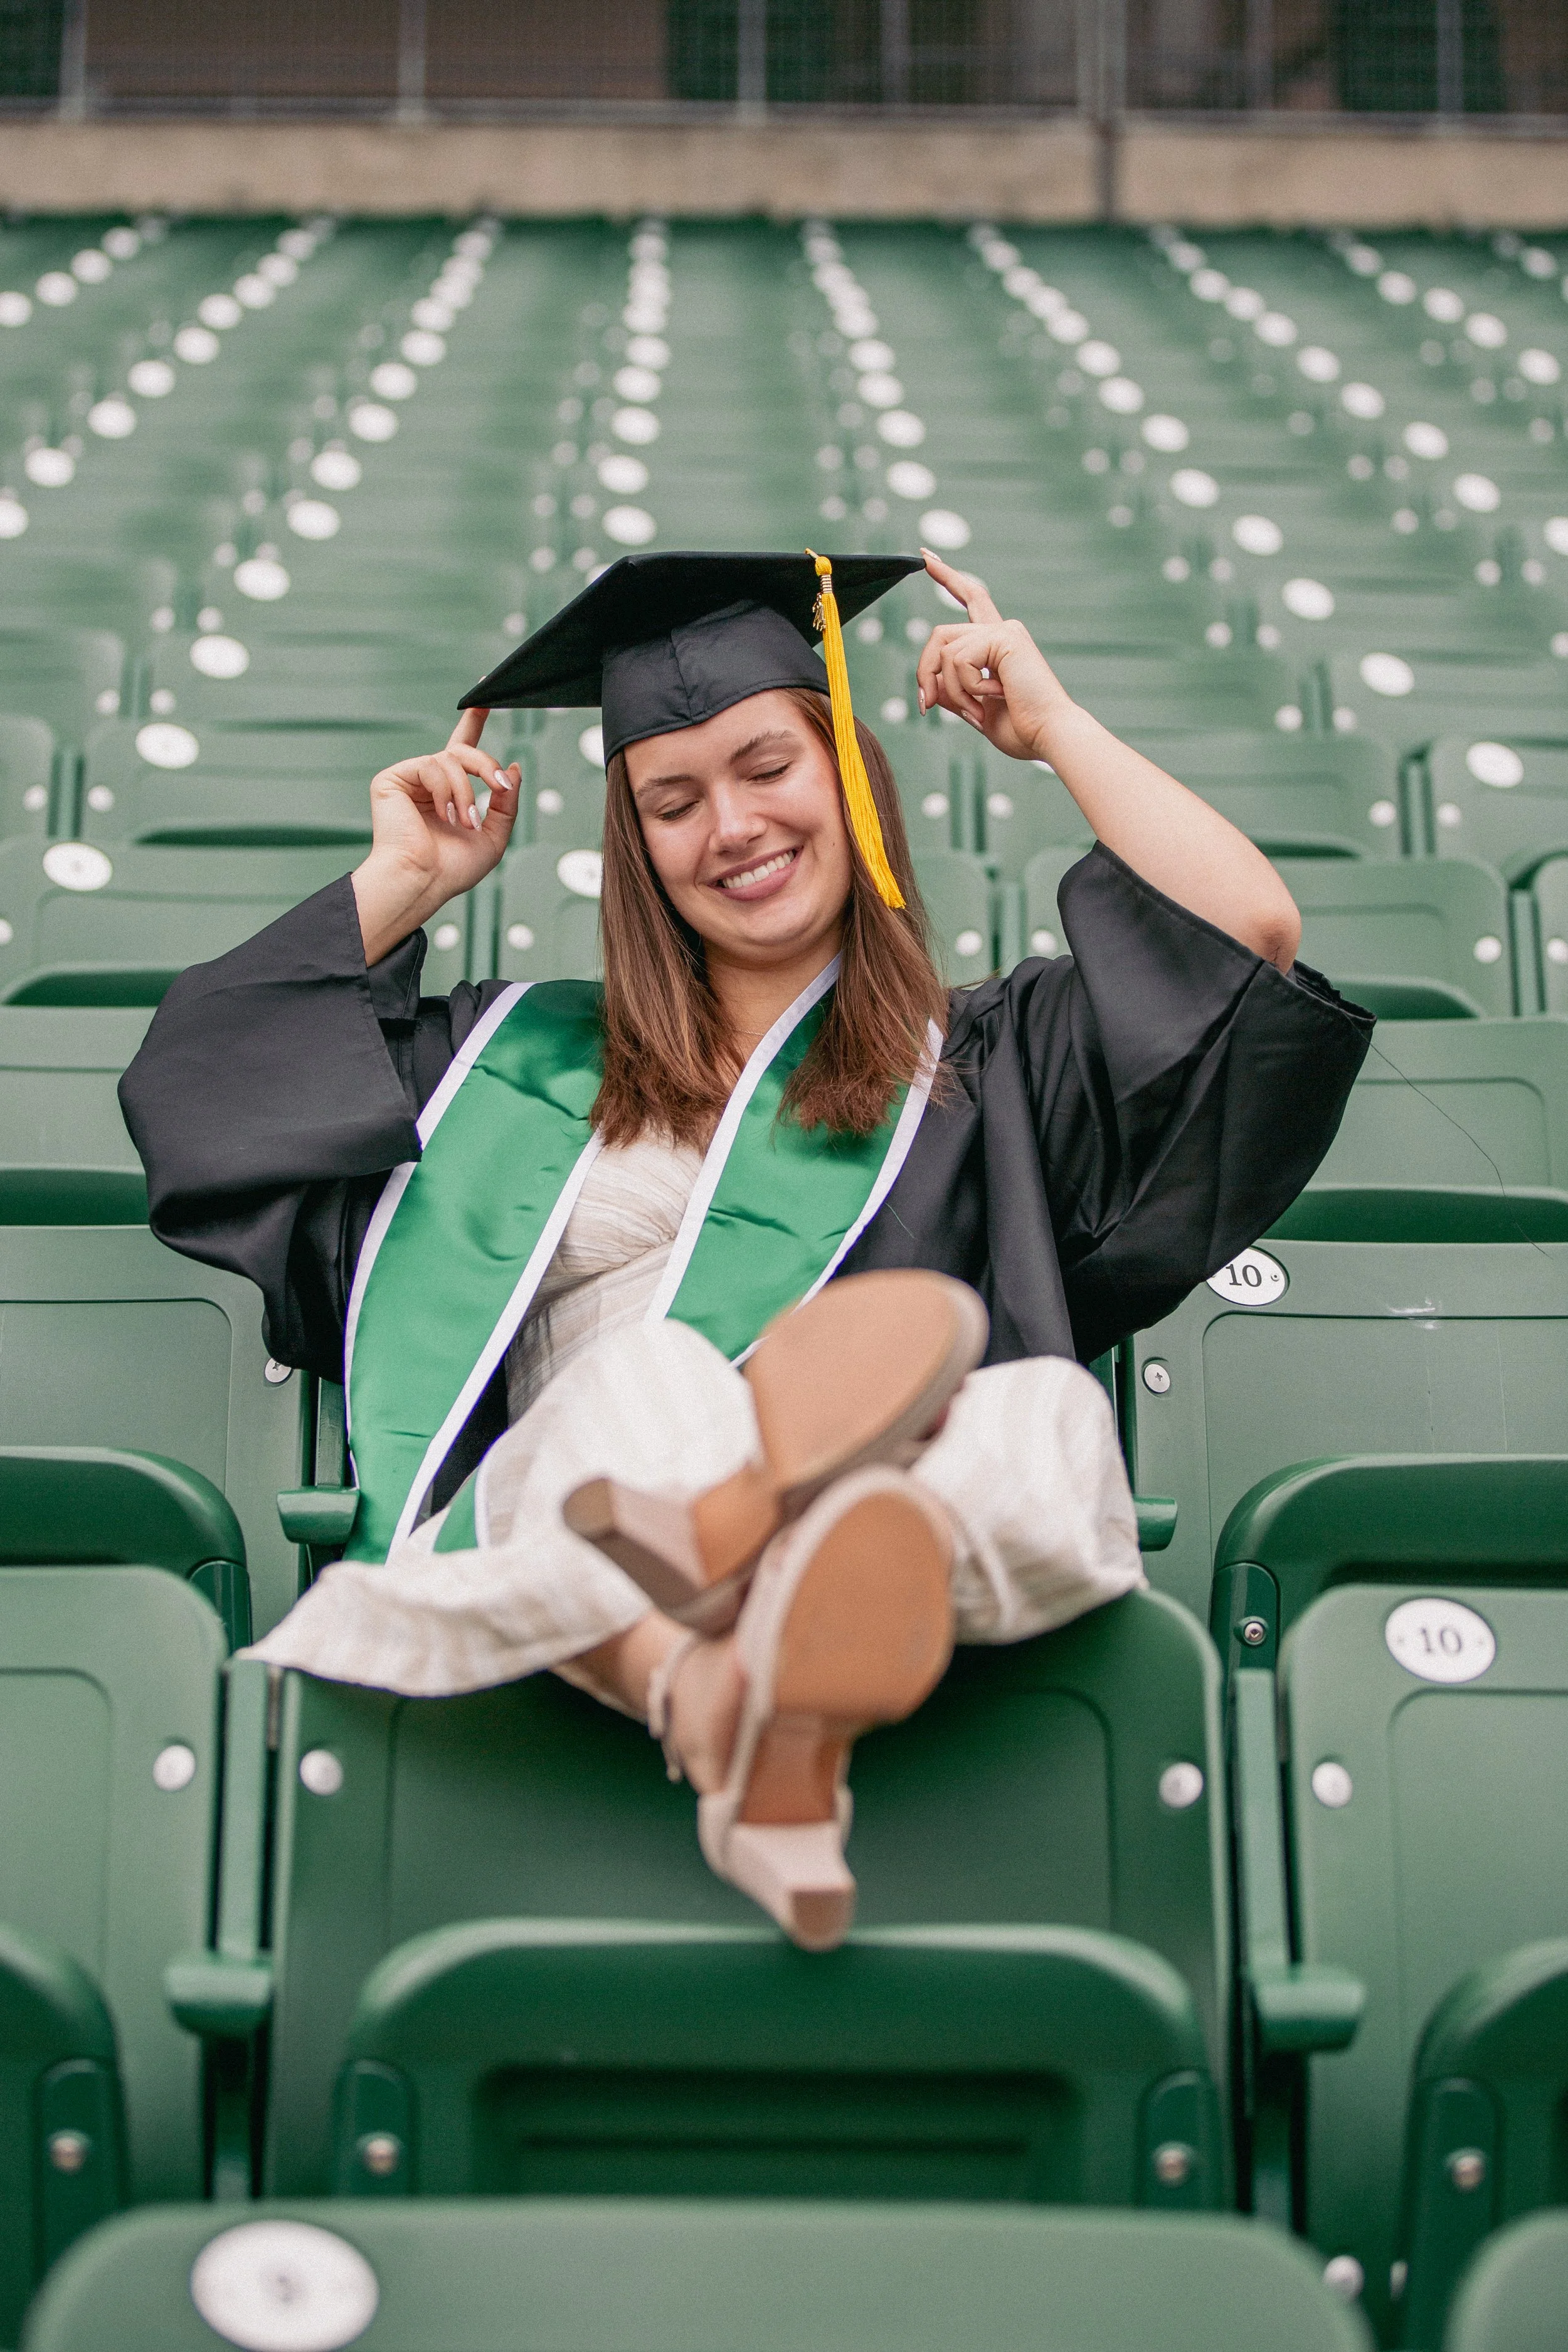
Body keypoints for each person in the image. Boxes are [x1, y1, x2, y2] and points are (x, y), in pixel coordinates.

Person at [120, 545, 1372, 1949]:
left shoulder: (982, 1066)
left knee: (1039, 1426)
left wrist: (1052, 729)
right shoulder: (496, 1056)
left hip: (826, 1542)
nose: (730, 824)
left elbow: (1244, 940)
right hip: (571, 1483)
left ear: (845, 770)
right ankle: (735, 1611)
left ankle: (734, 1654)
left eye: (767, 763)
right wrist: (403, 881)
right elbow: (202, 1080)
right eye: (672, 798)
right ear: (637, 844)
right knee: (649, 1392)